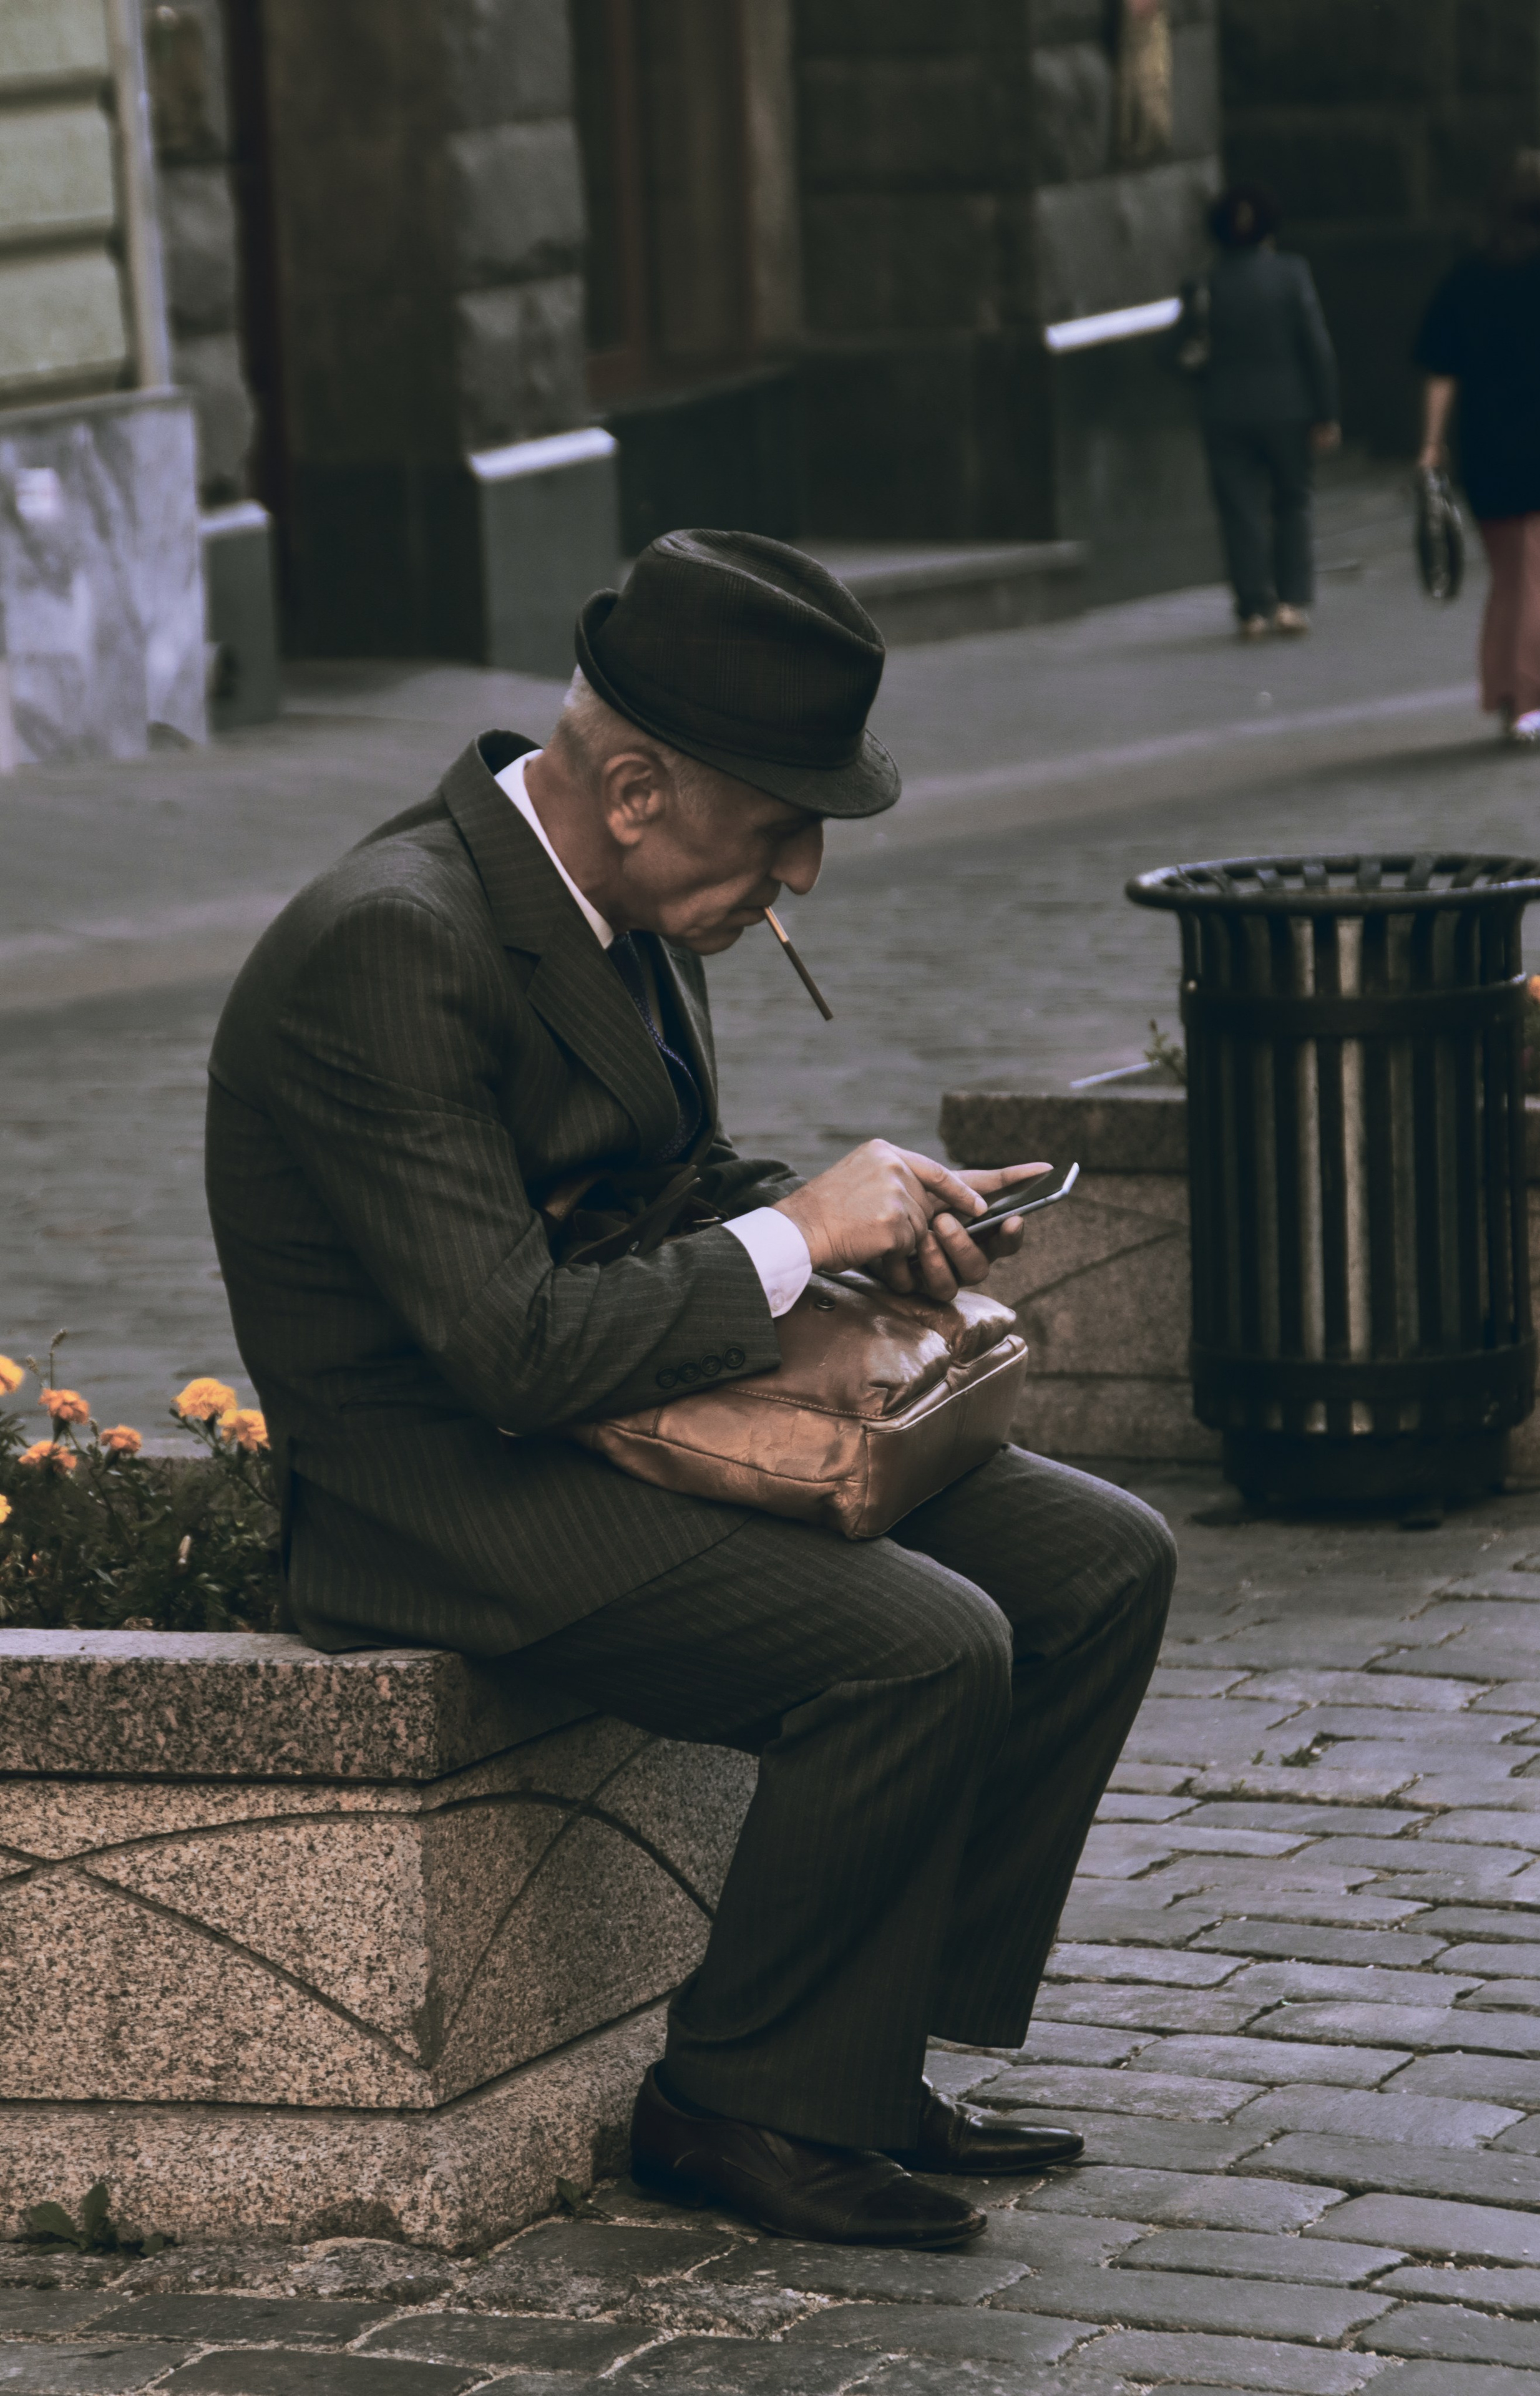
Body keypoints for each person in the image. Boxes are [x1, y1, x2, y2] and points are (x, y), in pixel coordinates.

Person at [205, 530, 1174, 2253]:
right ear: (638, 786)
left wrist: (868, 1233)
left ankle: (853, 2056)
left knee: (1102, 1567)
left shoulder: (627, 900)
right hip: (443, 1491)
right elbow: (504, 1350)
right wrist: (799, 1231)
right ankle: (736, 2104)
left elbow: (672, 1182)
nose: (800, 871)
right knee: (923, 1648)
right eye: (781, 825)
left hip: (624, 1406)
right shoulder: (388, 947)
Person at [1416, 149, 1540, 747]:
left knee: (1516, 581)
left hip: (1491, 456)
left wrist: (1431, 446)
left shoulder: (1465, 280)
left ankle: (1510, 692)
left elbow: (1441, 370)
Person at [1189, 182, 1342, 638]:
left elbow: (1174, 348)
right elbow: (1316, 346)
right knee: (1292, 501)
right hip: (1288, 409)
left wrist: (1199, 377)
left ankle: (1252, 608)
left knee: (1240, 510)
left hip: (1225, 413)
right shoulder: (1293, 274)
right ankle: (1291, 603)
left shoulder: (1206, 284)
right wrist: (1326, 411)